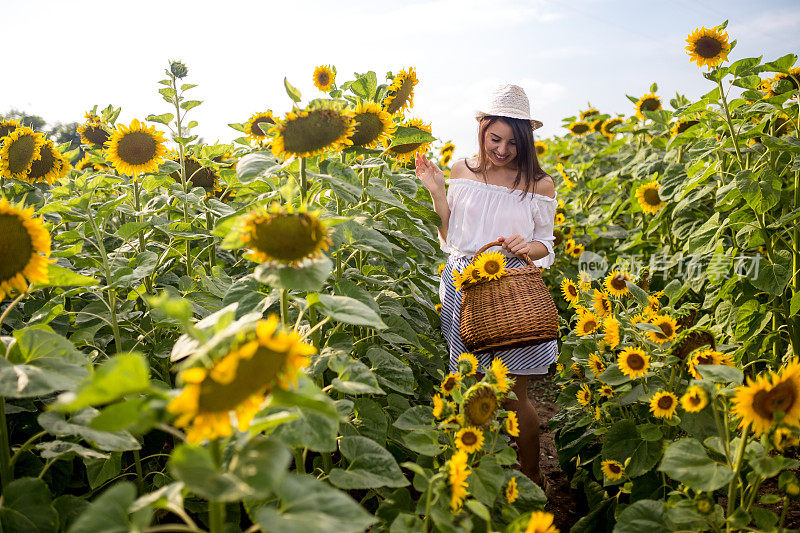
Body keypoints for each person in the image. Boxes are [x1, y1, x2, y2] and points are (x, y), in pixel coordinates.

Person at [414, 84, 558, 488]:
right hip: (462, 284)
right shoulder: (461, 170)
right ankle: (476, 477)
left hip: (511, 289)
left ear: (526, 141)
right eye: (495, 138)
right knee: (469, 387)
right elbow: (449, 235)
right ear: (481, 130)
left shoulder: (539, 184)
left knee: (514, 395)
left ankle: (530, 477)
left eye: (513, 142)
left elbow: (545, 245)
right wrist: (437, 190)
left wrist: (522, 244)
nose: (502, 149)